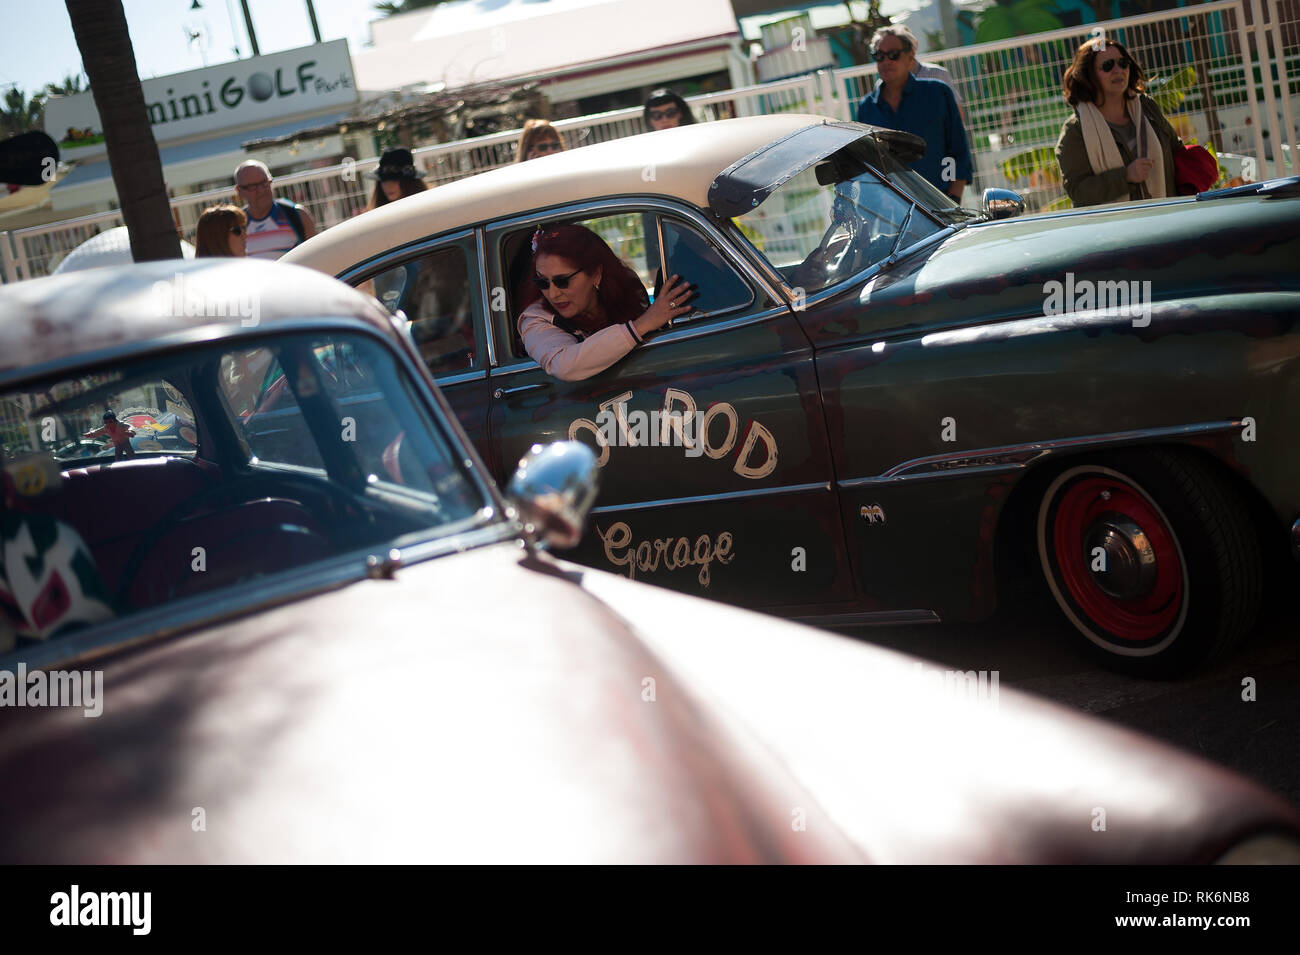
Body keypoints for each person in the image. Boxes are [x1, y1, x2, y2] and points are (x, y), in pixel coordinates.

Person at [518, 224, 696, 381]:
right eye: (542, 282)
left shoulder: (627, 287)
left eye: (562, 281)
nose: (553, 294)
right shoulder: (535, 319)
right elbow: (563, 365)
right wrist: (641, 326)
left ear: (596, 273)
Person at [1055, 39, 1183, 207]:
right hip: (1113, 230)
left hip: (1167, 217)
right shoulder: (1075, 131)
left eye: (1123, 63)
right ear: (1088, 76)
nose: (1118, 70)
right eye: (1108, 66)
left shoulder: (1147, 107)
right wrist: (1125, 177)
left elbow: (1176, 149)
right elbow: (1078, 192)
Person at [856, 26, 972, 202]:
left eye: (894, 54)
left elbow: (957, 149)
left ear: (911, 57)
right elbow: (867, 167)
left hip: (940, 203)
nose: (886, 61)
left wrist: (954, 196)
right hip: (892, 212)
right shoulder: (867, 108)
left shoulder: (938, 93)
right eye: (879, 56)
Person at [234, 159, 317, 260]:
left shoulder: (297, 214)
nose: (261, 190)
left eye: (264, 182)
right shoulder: (236, 225)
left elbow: (316, 256)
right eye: (253, 187)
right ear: (239, 191)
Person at [362, 147, 428, 212]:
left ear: (410, 182)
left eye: (394, 180)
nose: (388, 186)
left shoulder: (426, 208)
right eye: (384, 180)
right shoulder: (376, 215)